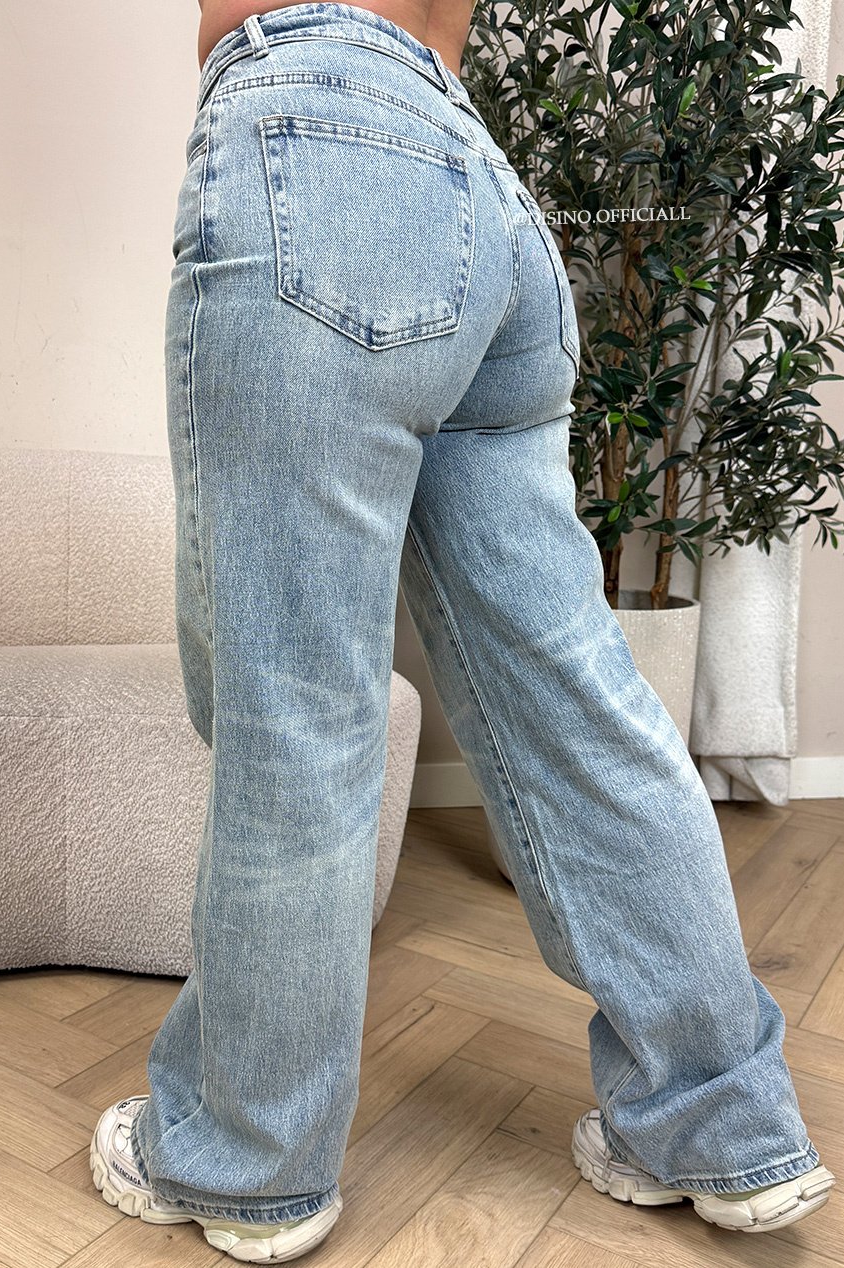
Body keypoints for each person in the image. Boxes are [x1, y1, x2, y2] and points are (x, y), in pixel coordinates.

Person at [89, 2, 836, 1261]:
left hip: (311, 137)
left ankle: (249, 1159)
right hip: (481, 182)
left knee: (296, 712)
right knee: (579, 701)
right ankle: (726, 1123)